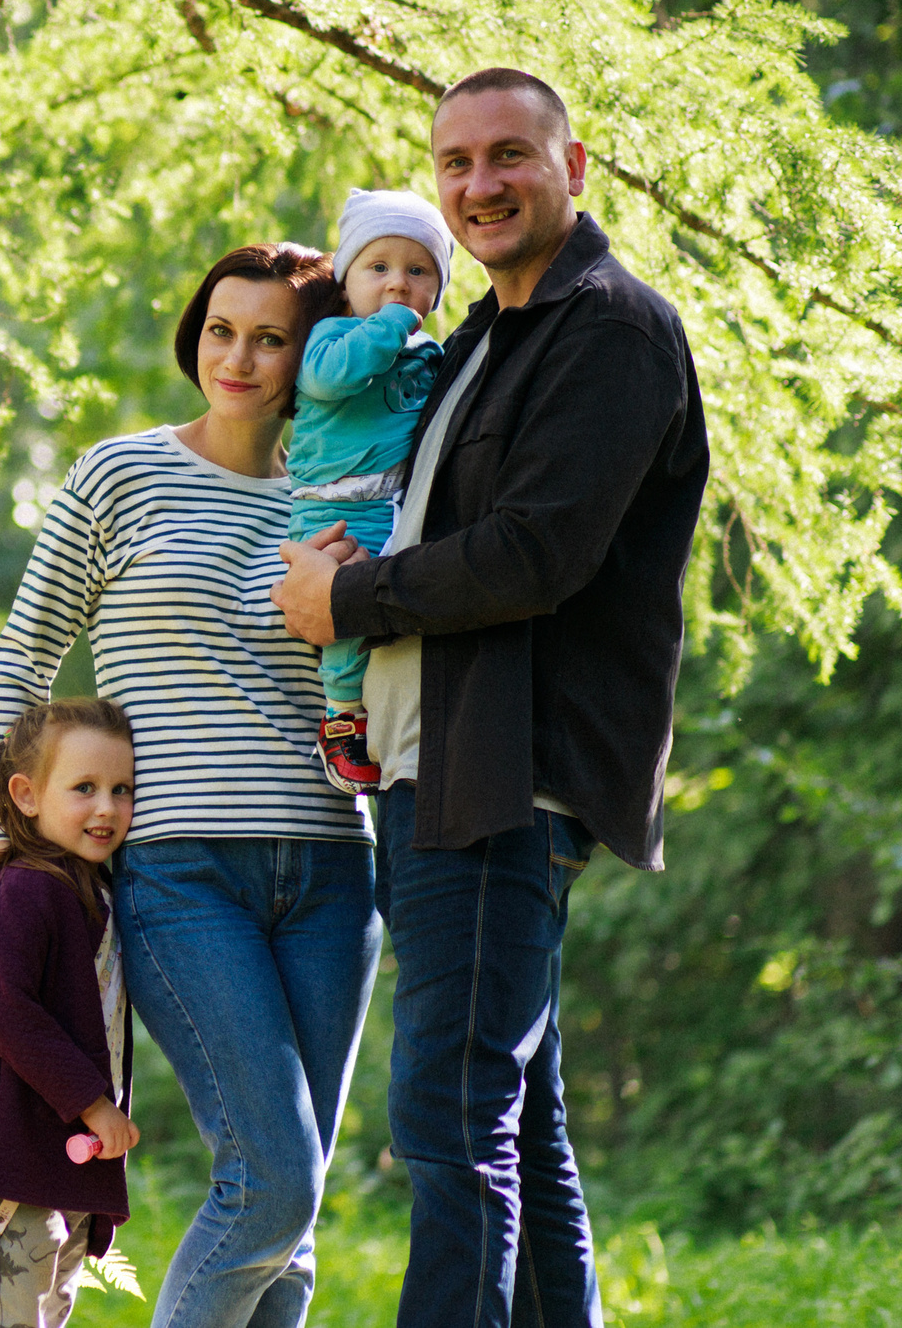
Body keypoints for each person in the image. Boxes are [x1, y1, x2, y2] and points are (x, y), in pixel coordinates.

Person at [271, 67, 709, 1328]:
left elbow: (537, 554)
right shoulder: (483, 335)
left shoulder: (608, 327)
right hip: (432, 769)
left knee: (452, 1121)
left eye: (509, 155)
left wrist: (345, 605)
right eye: (454, 163)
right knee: (515, 1121)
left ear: (572, 168)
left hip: (500, 776)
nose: (478, 185)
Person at [0, 242, 378, 1328]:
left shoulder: (342, 491)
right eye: (219, 329)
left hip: (336, 870)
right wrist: (6, 844)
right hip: (182, 874)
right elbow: (21, 664)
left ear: (312, 356)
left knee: (294, 1214)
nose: (238, 357)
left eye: (270, 338)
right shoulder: (119, 473)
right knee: (272, 1181)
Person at [0, 698, 140, 1328]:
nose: (107, 807)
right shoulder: (24, 890)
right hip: (11, 1166)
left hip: (52, 1166)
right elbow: (7, 1012)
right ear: (27, 794)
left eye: (122, 789)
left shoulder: (87, 886)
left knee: (43, 1310)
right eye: (85, 788)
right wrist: (94, 1104)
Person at [286, 190, 452, 789]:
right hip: (331, 505)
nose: (397, 285)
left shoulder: (428, 354)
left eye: (418, 271)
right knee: (343, 606)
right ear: (346, 277)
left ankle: (380, 720)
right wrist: (386, 327)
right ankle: (340, 720)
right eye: (377, 268)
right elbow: (334, 381)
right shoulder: (331, 339)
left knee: (390, 613)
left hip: (393, 506)